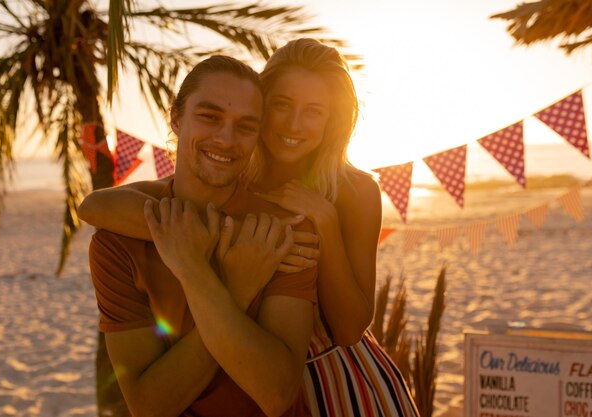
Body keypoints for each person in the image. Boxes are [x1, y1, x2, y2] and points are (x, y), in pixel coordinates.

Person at [81, 39, 419, 417]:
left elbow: (349, 329)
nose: (294, 123)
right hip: (242, 357)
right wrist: (251, 232)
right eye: (281, 105)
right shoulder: (232, 171)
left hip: (332, 371)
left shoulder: (352, 191)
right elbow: (97, 206)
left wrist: (324, 222)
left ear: (332, 121)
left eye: (313, 111)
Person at [87, 55, 318, 416]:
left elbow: (276, 395)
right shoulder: (116, 242)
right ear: (176, 118)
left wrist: (196, 268)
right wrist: (234, 288)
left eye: (245, 126)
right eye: (209, 117)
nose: (226, 139)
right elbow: (149, 407)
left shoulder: (286, 232)